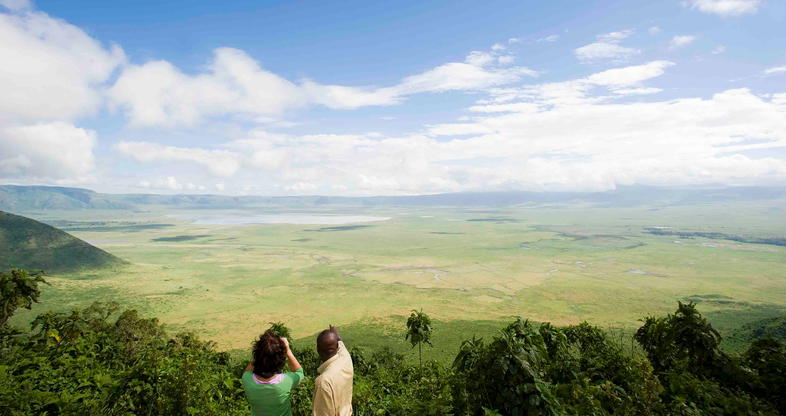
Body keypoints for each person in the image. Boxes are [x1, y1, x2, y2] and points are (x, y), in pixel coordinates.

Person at [242, 331, 304, 416]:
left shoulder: (247, 379)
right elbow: (299, 372)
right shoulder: (286, 381)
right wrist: (288, 351)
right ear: (280, 359)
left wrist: (262, 354)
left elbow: (248, 371)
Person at [313, 325, 354, 416]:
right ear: (336, 347)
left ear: (318, 350)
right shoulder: (346, 361)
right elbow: (342, 347)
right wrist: (336, 336)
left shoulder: (323, 381)